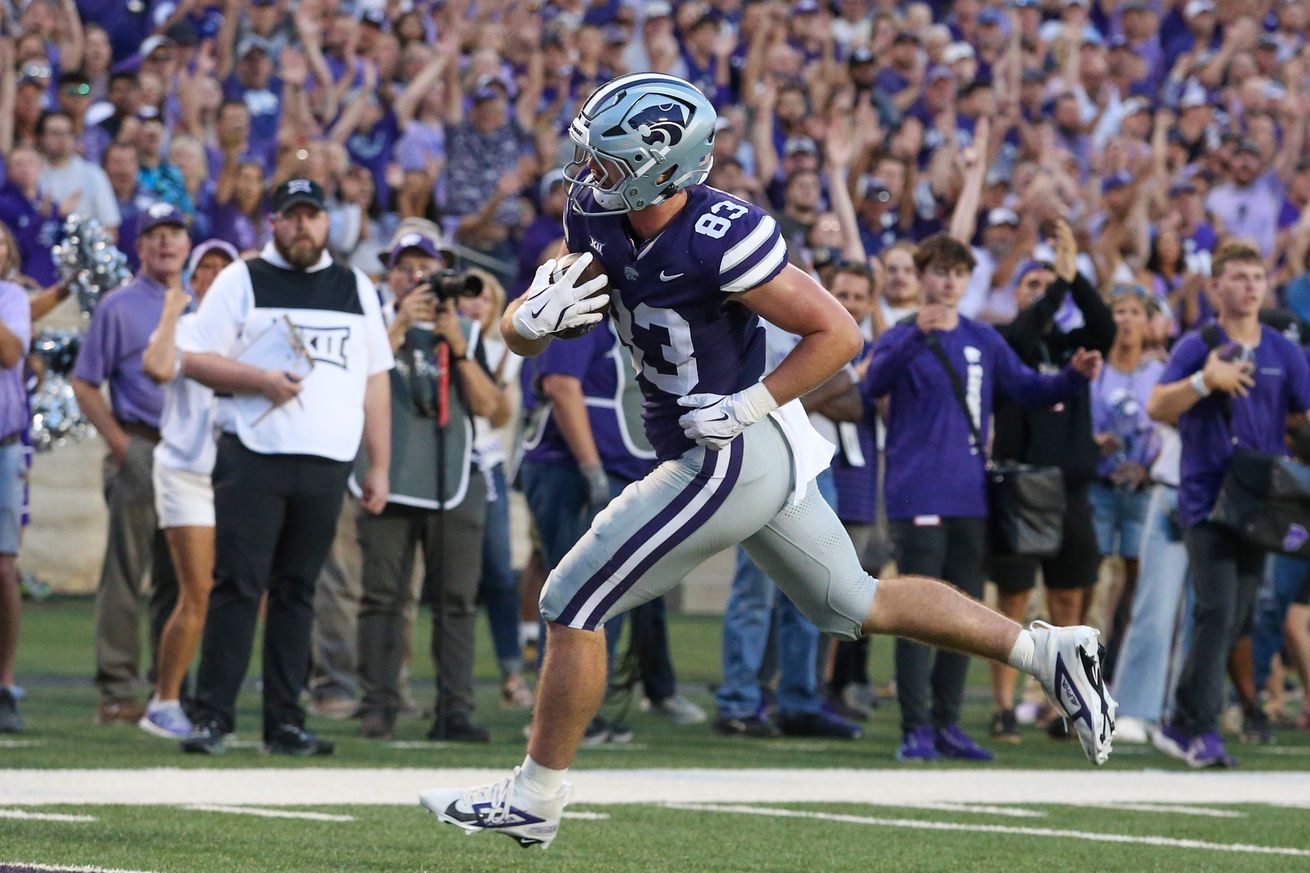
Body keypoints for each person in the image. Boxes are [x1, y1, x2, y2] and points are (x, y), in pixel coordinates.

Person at [419, 73, 1115, 850]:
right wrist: (526, 321)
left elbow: (840, 333)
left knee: (569, 601)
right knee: (854, 601)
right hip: (736, 444)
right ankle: (1046, 649)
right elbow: (532, 322)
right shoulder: (593, 210)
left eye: (608, 163)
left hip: (728, 448)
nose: (589, 176)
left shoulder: (721, 234)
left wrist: (748, 404)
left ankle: (535, 796)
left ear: (661, 168)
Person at [865, 231, 1103, 763]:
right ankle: (915, 726)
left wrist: (1072, 377)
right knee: (916, 613)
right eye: (939, 271)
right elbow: (869, 386)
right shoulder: (903, 333)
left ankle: (947, 723)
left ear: (967, 281)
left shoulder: (982, 337)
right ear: (923, 277)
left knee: (964, 615)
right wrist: (909, 339)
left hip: (970, 496)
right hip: (915, 493)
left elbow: (1027, 389)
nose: (948, 280)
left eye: (958, 272)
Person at [176, 179, 393, 756]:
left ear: (328, 223)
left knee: (299, 593)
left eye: (312, 216)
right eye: (291, 216)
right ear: (272, 222)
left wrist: (381, 465)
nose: (303, 226)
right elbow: (193, 359)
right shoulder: (242, 279)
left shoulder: (354, 286)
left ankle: (285, 722)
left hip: (327, 459)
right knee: (237, 587)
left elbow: (375, 380)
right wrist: (259, 381)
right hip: (254, 453)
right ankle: (214, 717)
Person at [1147, 240, 1310, 768]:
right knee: (1216, 611)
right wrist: (1203, 381)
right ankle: (1201, 729)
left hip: (1261, 504)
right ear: (1216, 286)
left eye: (1257, 277)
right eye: (1238, 277)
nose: (1250, 286)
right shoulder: (1202, 344)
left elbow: (1303, 416)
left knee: (1233, 616)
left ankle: (1179, 721)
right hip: (1207, 498)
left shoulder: (1284, 351)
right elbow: (1156, 404)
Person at [354, 233, 499, 743]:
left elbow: (488, 406)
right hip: (387, 477)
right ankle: (377, 704)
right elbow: (352, 387)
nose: (416, 277)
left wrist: (458, 348)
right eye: (405, 268)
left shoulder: (464, 329)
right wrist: (396, 325)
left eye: (426, 268)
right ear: (390, 277)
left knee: (456, 600)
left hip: (452, 478)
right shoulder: (371, 327)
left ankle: (454, 710)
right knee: (381, 598)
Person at [988, 224, 1116, 744]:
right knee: (1012, 604)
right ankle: (1003, 705)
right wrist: (1060, 285)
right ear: (1017, 294)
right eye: (1032, 285)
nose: (1042, 293)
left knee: (1068, 608)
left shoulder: (1073, 346)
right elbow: (1023, 333)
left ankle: (1063, 709)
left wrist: (1075, 276)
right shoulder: (1005, 342)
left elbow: (1105, 327)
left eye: (1047, 285)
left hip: (1069, 490)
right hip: (1019, 489)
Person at [71, 204, 185, 725]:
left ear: (187, 245)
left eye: (174, 235)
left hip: (189, 455)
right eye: (155, 236)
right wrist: (119, 443)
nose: (165, 244)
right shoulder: (118, 307)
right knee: (125, 571)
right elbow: (84, 380)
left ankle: (170, 686)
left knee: (180, 577)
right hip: (140, 443)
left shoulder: (202, 304)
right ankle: (117, 687)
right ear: (138, 248)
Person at [136, 237, 236, 739]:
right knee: (197, 590)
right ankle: (165, 698)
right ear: (194, 279)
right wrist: (173, 310)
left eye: (225, 267)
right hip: (186, 470)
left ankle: (207, 698)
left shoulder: (247, 331)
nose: (215, 275)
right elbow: (155, 367)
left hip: (234, 474)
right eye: (206, 267)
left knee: (225, 595)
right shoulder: (189, 326)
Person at [0, 265, 30, 733]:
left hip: (2, 446)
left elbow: (9, 353)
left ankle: (3, 683)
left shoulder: (12, 298)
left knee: (3, 568)